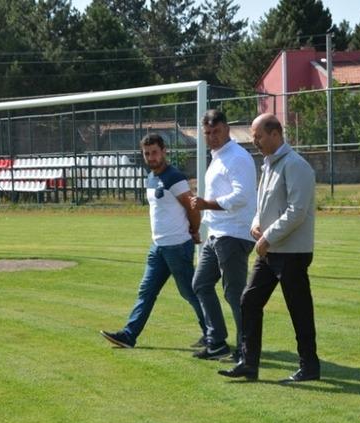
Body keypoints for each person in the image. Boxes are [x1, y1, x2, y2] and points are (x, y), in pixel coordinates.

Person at [218, 113, 320, 382]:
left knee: (299, 310)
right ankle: (248, 363)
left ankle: (309, 366)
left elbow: (297, 212)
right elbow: (262, 205)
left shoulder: (295, 165)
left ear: (276, 134)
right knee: (249, 301)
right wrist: (255, 223)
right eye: (254, 137)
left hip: (292, 253)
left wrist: (267, 238)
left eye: (258, 136)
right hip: (271, 250)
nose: (255, 142)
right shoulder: (268, 165)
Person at [101, 133, 206, 348]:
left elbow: (192, 207)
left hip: (177, 246)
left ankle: (213, 334)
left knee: (190, 293)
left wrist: (194, 230)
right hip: (158, 247)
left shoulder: (174, 177)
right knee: (146, 291)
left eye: (155, 153)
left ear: (164, 151)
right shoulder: (151, 178)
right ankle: (129, 336)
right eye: (147, 153)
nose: (151, 157)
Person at [189, 109, 258, 361]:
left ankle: (245, 349)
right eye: (207, 133)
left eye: (216, 131)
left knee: (234, 293)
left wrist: (207, 204)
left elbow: (243, 196)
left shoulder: (237, 157)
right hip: (217, 233)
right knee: (201, 284)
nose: (212, 137)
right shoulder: (218, 156)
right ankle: (216, 341)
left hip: (235, 233)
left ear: (227, 129)